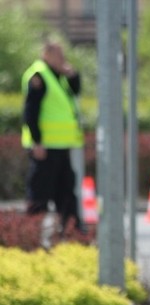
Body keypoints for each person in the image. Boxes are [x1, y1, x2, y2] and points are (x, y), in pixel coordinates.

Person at [22, 41, 84, 232]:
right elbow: (31, 111)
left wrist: (72, 74)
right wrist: (37, 141)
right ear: (46, 54)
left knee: (66, 192)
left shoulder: (59, 76)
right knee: (40, 193)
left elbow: (75, 91)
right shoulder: (39, 75)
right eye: (58, 55)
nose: (63, 60)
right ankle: (30, 234)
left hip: (61, 145)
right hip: (45, 147)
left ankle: (72, 232)